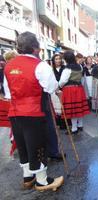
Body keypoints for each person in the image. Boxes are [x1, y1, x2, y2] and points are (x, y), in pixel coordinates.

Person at [3, 32, 63, 191]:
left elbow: (8, 93)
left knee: (22, 144)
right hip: (34, 112)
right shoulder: (40, 65)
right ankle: (42, 181)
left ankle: (28, 177)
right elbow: (51, 87)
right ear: (35, 48)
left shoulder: (9, 66)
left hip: (15, 112)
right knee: (37, 145)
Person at [59, 51, 90, 134]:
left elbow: (62, 81)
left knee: (73, 109)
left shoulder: (67, 69)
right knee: (79, 107)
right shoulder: (80, 67)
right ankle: (80, 125)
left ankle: (74, 128)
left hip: (70, 90)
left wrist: (60, 86)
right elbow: (82, 79)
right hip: (79, 89)